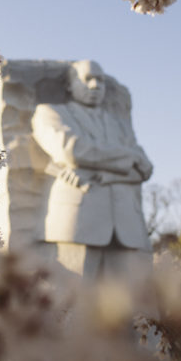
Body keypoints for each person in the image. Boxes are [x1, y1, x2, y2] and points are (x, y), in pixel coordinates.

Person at [31, 60, 154, 297]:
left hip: (127, 226)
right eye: (87, 79)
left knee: (130, 312)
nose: (96, 85)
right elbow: (72, 151)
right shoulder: (50, 112)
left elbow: (145, 168)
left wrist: (108, 171)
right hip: (79, 219)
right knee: (71, 305)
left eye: (100, 80)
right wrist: (127, 157)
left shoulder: (118, 124)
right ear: (69, 85)